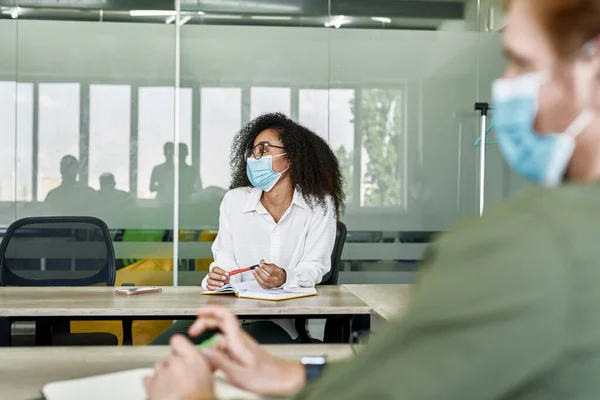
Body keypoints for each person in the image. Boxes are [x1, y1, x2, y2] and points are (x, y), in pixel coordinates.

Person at [145, 0, 600, 398]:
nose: (504, 84)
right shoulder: (565, 235)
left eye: (520, 62)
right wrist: (289, 377)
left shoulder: (530, 245)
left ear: (591, 68)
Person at [150, 113, 345, 345]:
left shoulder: (319, 205)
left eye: (263, 149)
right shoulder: (234, 201)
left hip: (278, 322)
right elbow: (224, 261)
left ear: (291, 157)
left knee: (222, 358)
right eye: (253, 151)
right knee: (163, 351)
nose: (255, 157)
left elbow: (316, 266)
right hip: (226, 314)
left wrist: (284, 277)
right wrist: (219, 278)